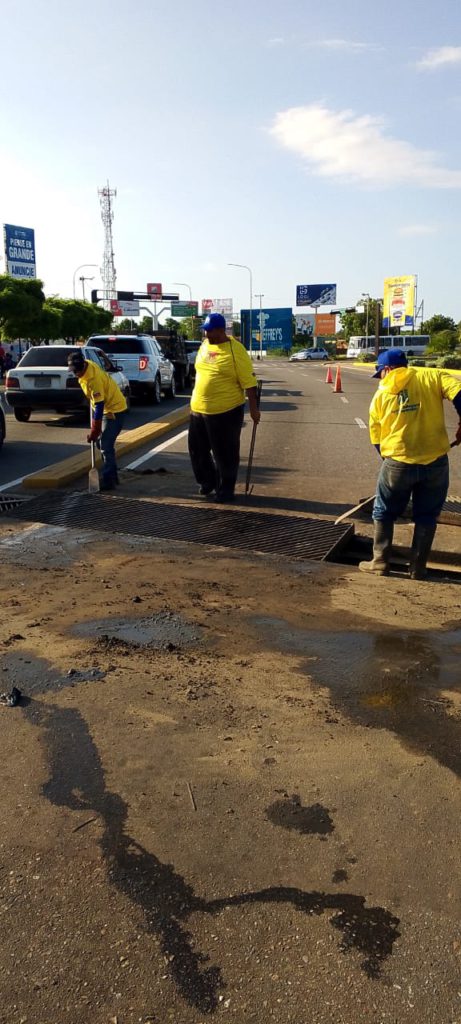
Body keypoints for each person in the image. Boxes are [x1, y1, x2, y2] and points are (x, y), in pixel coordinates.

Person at [359, 348, 461, 579]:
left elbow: (376, 437)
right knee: (426, 515)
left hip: (397, 461)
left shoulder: (381, 394)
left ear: (386, 370)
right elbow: (460, 393)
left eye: (380, 373)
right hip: (435, 462)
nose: (381, 378)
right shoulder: (432, 376)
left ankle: (380, 563)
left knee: (384, 510)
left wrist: (389, 460)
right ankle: (418, 568)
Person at [188, 313, 261, 502]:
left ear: (221, 331)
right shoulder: (204, 345)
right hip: (198, 409)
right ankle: (208, 481)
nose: (205, 333)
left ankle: (225, 490)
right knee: (197, 451)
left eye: (209, 330)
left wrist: (254, 409)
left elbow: (249, 383)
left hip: (225, 412)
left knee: (225, 455)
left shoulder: (236, 350)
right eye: (204, 330)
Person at [67, 350, 127, 491]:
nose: (75, 374)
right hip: (106, 408)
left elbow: (99, 405)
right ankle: (113, 473)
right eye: (73, 371)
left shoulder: (93, 380)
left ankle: (109, 480)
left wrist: (95, 428)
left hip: (115, 411)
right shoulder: (87, 365)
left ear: (82, 367)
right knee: (101, 444)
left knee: (105, 445)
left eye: (77, 371)